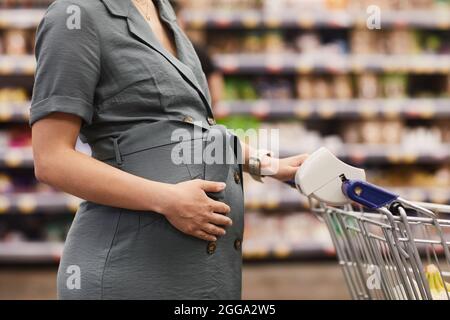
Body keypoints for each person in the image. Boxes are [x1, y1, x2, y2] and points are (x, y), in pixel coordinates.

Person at [30, 0, 307, 299]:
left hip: (197, 272)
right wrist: (166, 200)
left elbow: (189, 129)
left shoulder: (161, 10)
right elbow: (51, 160)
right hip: (129, 267)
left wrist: (271, 165)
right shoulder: (75, 16)